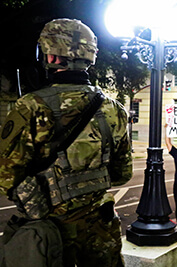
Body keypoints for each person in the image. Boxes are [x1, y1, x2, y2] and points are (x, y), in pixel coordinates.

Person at [0, 18, 132, 267]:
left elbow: (6, 175)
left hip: (51, 233)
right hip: (101, 230)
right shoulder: (114, 109)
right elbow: (122, 174)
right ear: (89, 57)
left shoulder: (31, 106)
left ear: (50, 57)